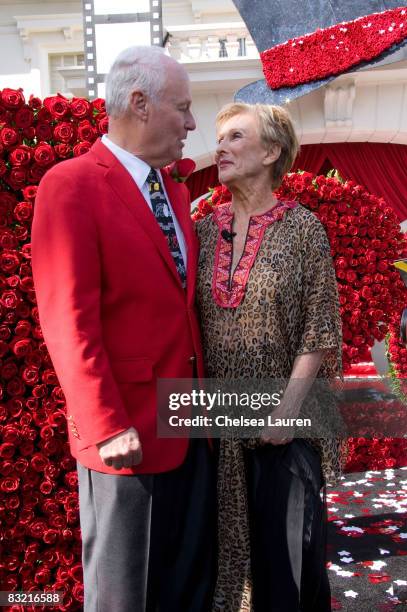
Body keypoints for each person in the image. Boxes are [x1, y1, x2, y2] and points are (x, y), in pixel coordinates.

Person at [32, 46, 216, 612]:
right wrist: (107, 424)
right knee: (124, 596)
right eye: (182, 109)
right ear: (139, 103)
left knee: (188, 587)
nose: (191, 124)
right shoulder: (72, 184)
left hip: (190, 424)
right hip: (126, 434)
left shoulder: (176, 191)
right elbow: (68, 318)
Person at [195, 102, 344, 611]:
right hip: (216, 423)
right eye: (220, 138)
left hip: (286, 426)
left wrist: (287, 412)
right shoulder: (202, 229)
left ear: (272, 151)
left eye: (236, 137)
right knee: (227, 564)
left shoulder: (303, 228)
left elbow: (321, 328)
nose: (221, 148)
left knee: (287, 567)